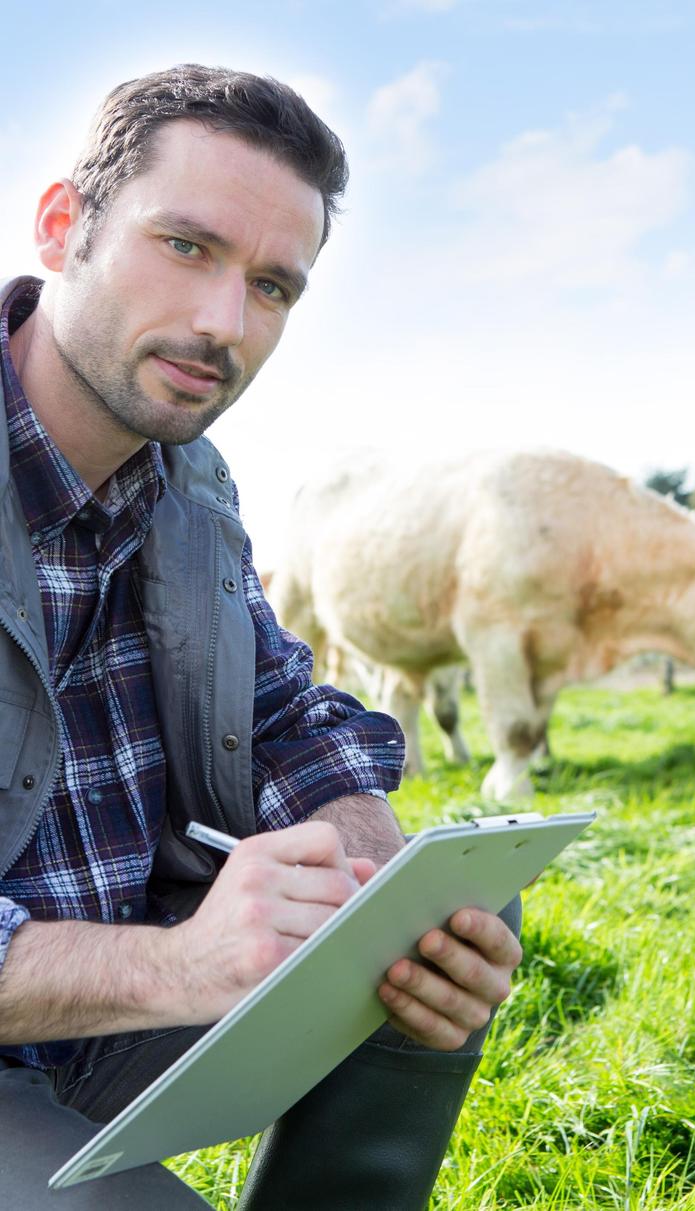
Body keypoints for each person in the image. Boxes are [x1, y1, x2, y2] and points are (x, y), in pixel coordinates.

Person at [0, 64, 523, 1208]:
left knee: (441, 906)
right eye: (185, 245)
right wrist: (180, 964)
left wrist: (364, 854)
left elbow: (285, 707)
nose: (222, 324)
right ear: (61, 226)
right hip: (36, 1010)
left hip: (118, 1001)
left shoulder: (190, 485)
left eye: (273, 285)